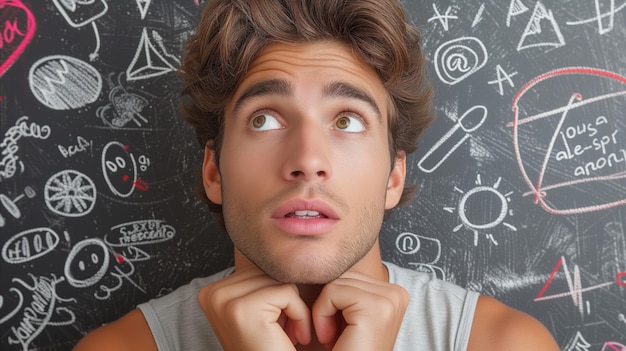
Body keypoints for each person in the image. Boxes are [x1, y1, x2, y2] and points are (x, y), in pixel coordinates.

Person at [74, 0, 560, 350]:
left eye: (346, 120)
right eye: (264, 119)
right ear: (214, 171)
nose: (307, 159)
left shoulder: (503, 344)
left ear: (393, 176)